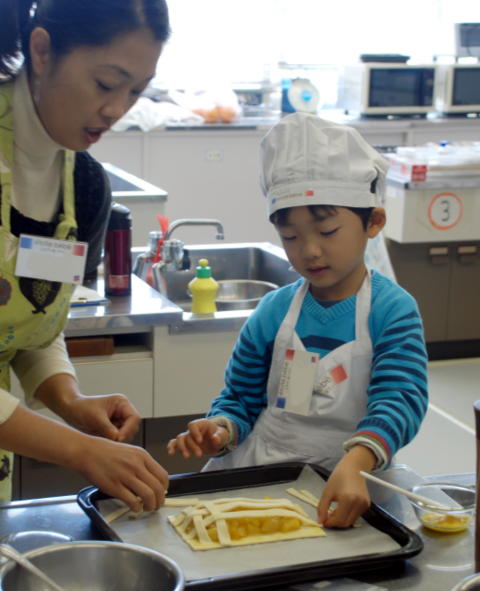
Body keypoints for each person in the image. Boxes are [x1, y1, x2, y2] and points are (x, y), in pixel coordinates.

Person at [167, 113, 428, 528]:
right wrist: (220, 429)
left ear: (373, 222)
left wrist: (357, 461)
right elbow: (240, 399)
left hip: (352, 481)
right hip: (263, 475)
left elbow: (399, 399)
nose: (309, 251)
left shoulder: (391, 310)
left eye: (327, 231)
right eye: (291, 236)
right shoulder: (274, 312)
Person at [0, 0, 171, 510]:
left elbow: (32, 325)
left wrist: (69, 399)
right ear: (42, 50)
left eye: (135, 91)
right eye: (105, 83)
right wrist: (80, 450)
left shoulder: (86, 187)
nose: (117, 110)